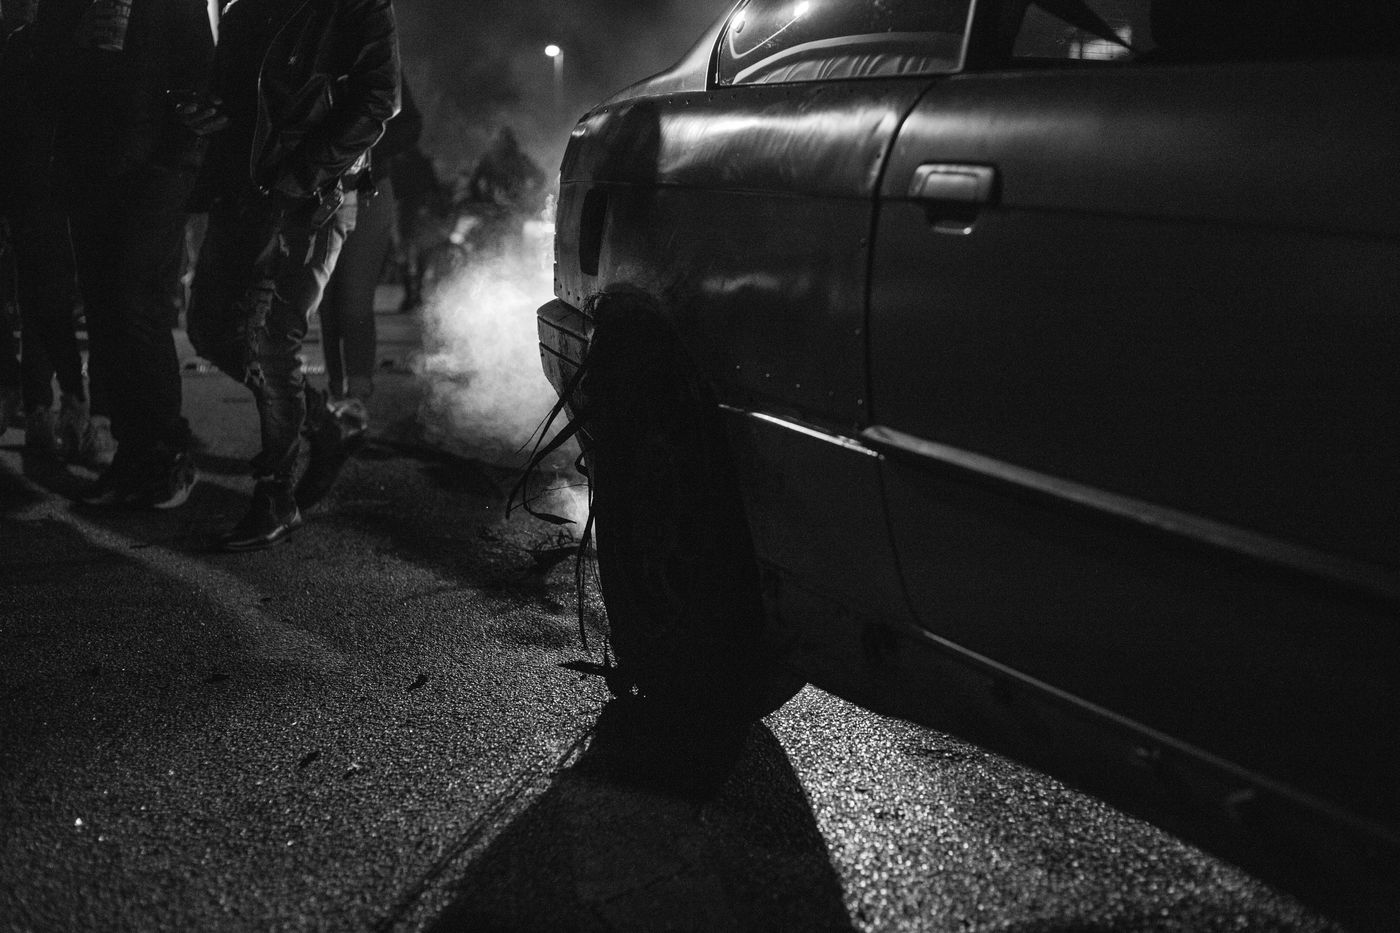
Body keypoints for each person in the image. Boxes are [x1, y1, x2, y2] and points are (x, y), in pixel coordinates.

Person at [182, 0, 399, 551]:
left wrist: (302, 176)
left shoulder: (357, 5)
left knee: (274, 341)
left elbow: (380, 99)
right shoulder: (241, 10)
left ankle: (276, 495)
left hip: (315, 193)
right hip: (244, 191)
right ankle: (325, 425)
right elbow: (237, 99)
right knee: (210, 329)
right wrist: (206, 112)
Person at [43, 0, 216, 506]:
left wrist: (177, 159)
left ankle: (165, 454)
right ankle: (133, 452)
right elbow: (43, 71)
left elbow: (202, 72)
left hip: (155, 170)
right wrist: (70, 39)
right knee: (104, 308)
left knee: (136, 301)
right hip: (89, 165)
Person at [315, 75, 421, 437]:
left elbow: (409, 125)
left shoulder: (378, 62)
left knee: (354, 297)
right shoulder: (315, 57)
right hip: (318, 188)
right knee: (325, 299)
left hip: (367, 189)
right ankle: (337, 392)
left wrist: (364, 145)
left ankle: (356, 393)